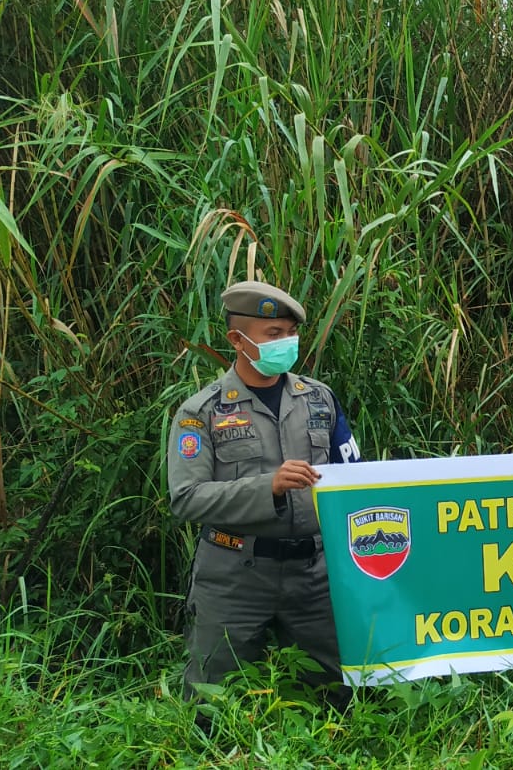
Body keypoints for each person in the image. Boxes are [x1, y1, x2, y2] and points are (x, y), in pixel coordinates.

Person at [166, 281, 363, 717]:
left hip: (312, 576)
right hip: (235, 575)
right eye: (274, 334)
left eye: (291, 333)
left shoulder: (319, 400)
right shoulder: (203, 412)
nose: (287, 343)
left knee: (332, 701)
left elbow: (353, 478)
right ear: (238, 339)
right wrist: (267, 486)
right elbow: (186, 498)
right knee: (210, 707)